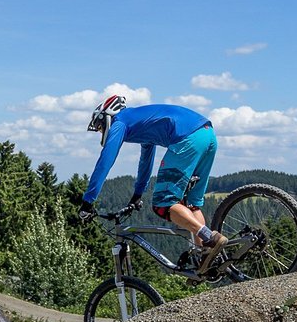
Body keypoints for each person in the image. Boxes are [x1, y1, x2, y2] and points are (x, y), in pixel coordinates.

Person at [78, 95, 226, 272]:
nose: (102, 133)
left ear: (106, 116)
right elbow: (145, 162)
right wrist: (137, 194)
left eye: (100, 128)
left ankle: (209, 237)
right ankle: (205, 255)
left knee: (164, 204)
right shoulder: (140, 121)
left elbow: (105, 162)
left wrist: (87, 202)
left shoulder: (119, 123)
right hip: (208, 135)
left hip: (187, 138)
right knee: (192, 204)